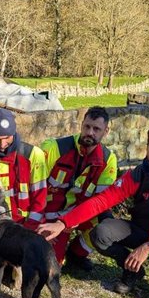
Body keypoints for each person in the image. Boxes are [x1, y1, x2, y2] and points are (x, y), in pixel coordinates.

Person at [38, 123, 149, 298]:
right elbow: (102, 200)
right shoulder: (138, 174)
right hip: (139, 230)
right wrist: (63, 223)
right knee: (100, 233)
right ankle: (132, 270)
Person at [40, 106, 118, 270]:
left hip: (80, 212)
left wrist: (70, 221)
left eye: (96, 129)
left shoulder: (108, 160)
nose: (90, 132)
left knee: (104, 227)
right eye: (87, 127)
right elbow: (32, 190)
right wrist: (38, 222)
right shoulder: (54, 148)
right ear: (81, 125)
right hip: (48, 213)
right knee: (50, 266)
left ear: (106, 131)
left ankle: (76, 254)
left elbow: (101, 201)